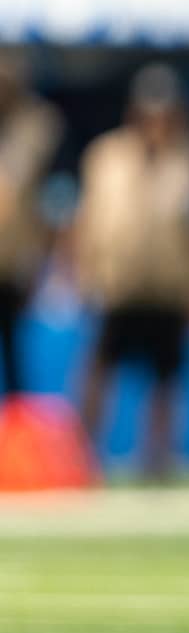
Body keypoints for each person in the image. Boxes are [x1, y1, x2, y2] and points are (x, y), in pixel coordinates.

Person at [72, 65, 189, 482]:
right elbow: (87, 221)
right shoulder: (106, 156)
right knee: (98, 370)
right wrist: (82, 274)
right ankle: (85, 457)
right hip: (118, 285)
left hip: (169, 286)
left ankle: (157, 462)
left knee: (166, 380)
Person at [0, 54, 62, 397]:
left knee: (15, 358)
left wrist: (40, 261)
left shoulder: (33, 128)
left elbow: (46, 200)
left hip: (12, 262)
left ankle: (16, 444)